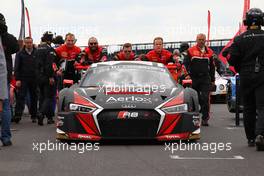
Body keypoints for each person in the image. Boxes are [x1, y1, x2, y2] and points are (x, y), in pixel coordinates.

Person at [228, 8, 264, 150]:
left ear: (246, 21)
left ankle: (250, 138)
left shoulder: (239, 39)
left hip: (245, 76)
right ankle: (260, 134)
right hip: (262, 75)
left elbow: (232, 60)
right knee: (262, 107)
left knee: (248, 107)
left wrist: (240, 69)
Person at [185, 33, 215, 126]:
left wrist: (213, 80)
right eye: (199, 39)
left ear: (205, 40)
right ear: (196, 40)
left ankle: (205, 118)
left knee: (206, 98)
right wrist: (188, 74)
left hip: (205, 78)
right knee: (194, 99)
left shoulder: (210, 52)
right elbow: (186, 64)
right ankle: (194, 118)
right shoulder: (190, 51)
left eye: (203, 39)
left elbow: (212, 67)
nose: (201, 41)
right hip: (194, 78)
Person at [0, 13, 19, 146]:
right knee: (5, 106)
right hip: (4, 74)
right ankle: (6, 137)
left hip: (4, 73)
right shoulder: (9, 38)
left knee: (6, 106)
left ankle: (6, 137)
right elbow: (16, 48)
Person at [36, 31, 59, 125]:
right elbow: (49, 64)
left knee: (42, 97)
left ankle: (49, 118)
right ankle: (41, 113)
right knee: (49, 97)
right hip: (47, 76)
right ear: (50, 39)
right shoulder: (50, 50)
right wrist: (51, 76)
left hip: (38, 76)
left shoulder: (38, 48)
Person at [14, 37, 38, 123]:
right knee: (21, 97)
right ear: (24, 43)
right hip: (23, 78)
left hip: (34, 78)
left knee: (34, 97)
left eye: (30, 42)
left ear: (32, 42)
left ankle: (34, 115)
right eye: (27, 42)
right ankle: (18, 115)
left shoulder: (36, 52)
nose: (29, 44)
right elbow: (16, 67)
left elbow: (39, 66)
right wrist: (17, 79)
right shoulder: (20, 54)